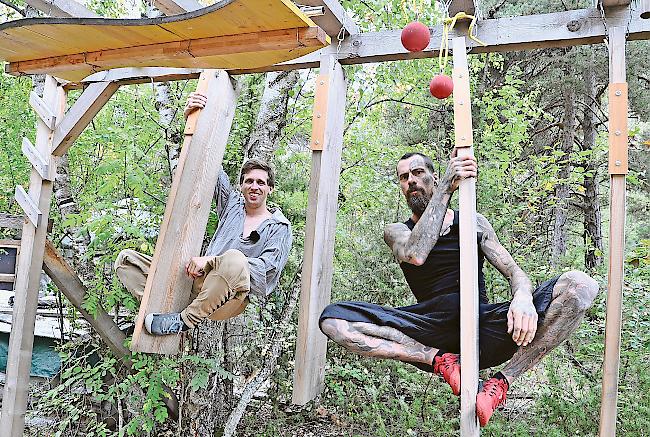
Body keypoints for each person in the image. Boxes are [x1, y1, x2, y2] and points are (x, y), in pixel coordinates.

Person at [319, 151, 598, 427]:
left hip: (483, 324)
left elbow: (514, 272)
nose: (411, 181)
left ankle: (501, 384)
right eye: (404, 177)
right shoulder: (397, 231)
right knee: (333, 321)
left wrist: (522, 297)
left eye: (417, 173)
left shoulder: (474, 223)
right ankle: (442, 361)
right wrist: (444, 190)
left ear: (434, 176)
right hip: (429, 329)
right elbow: (416, 254)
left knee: (581, 286)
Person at [114, 92, 292, 336]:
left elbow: (265, 272)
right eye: (249, 181)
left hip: (228, 298)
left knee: (235, 258)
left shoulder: (278, 227)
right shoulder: (232, 205)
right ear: (241, 186)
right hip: (196, 284)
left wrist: (210, 261)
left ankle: (183, 321)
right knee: (126, 261)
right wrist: (194, 120)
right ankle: (162, 312)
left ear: (270, 188)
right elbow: (209, 164)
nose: (254, 186)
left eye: (261, 182)